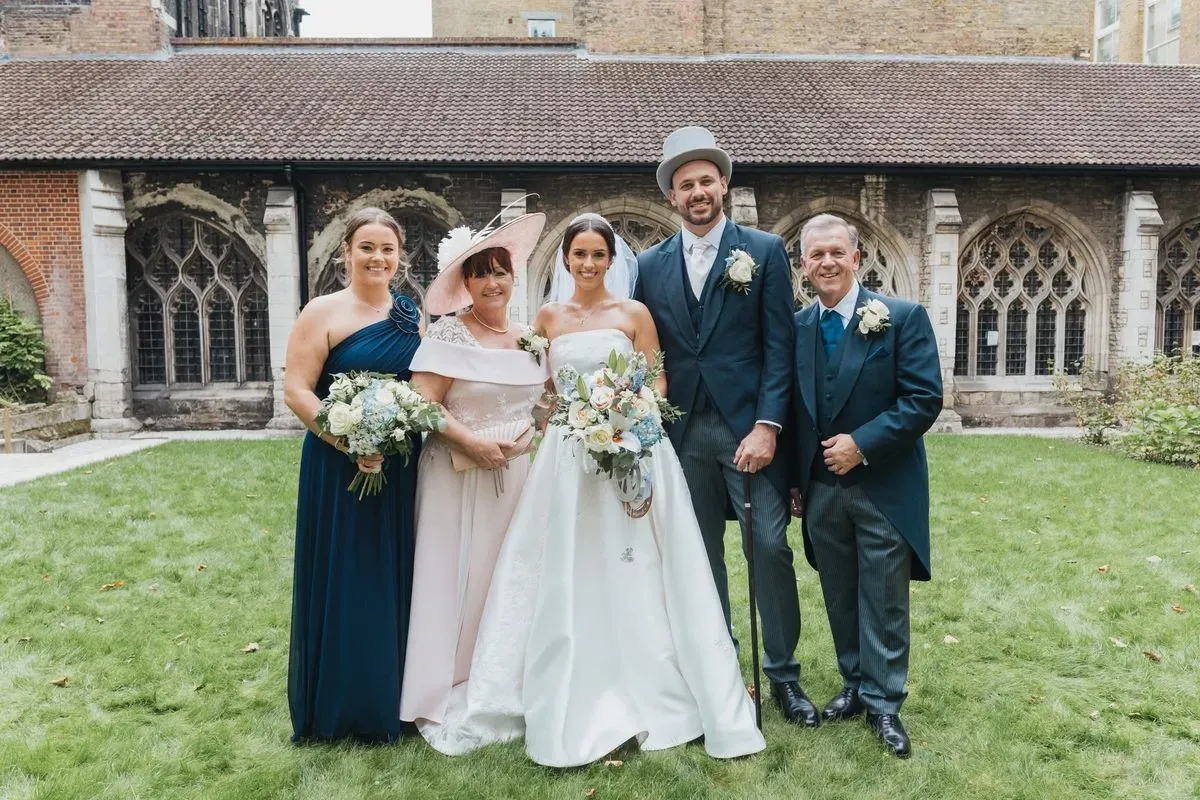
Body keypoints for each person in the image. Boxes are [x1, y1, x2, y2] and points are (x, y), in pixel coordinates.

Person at [417, 213, 765, 767]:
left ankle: (666, 680)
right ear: (566, 260)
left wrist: (627, 415)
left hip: (635, 445)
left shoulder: (634, 313)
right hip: (569, 454)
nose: (587, 264)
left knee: (644, 562)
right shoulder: (548, 318)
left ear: (611, 259)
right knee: (566, 559)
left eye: (597, 255)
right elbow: (544, 388)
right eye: (578, 255)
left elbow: (657, 378)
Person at [634, 126, 816, 726]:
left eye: (706, 180)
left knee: (767, 547)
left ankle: (783, 674)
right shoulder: (649, 265)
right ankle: (719, 669)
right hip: (682, 431)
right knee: (699, 555)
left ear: (724, 185)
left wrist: (768, 426)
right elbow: (647, 351)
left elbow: (779, 347)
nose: (697, 192)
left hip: (748, 431)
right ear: (671, 197)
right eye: (685, 185)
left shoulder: (761, 252)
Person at [787, 213, 943, 758]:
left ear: (856, 257)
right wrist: (794, 479)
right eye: (815, 255)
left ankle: (884, 702)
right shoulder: (798, 327)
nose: (826, 262)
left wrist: (863, 444)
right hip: (821, 487)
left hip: (884, 484)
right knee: (840, 592)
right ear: (803, 265)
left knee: (883, 595)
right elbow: (791, 407)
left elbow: (923, 399)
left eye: (836, 252)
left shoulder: (901, 317)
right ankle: (854, 683)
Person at [399, 212, 550, 739]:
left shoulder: (530, 338)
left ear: (514, 278)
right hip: (457, 477)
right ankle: (448, 681)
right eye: (481, 273)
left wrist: (534, 436)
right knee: (457, 575)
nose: (492, 282)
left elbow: (543, 406)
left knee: (508, 578)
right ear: (465, 283)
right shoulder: (448, 335)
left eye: (501, 271)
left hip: (518, 479)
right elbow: (421, 404)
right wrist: (472, 442)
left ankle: (504, 678)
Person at [283, 207, 423, 743]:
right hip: (336, 464)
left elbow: (419, 385)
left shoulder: (411, 315)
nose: (377, 258)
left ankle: (393, 700)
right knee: (348, 574)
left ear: (399, 256)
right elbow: (297, 390)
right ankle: (343, 707)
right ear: (346, 253)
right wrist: (347, 440)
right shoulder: (322, 312)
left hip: (399, 465)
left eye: (387, 249)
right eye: (366, 247)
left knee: (394, 573)